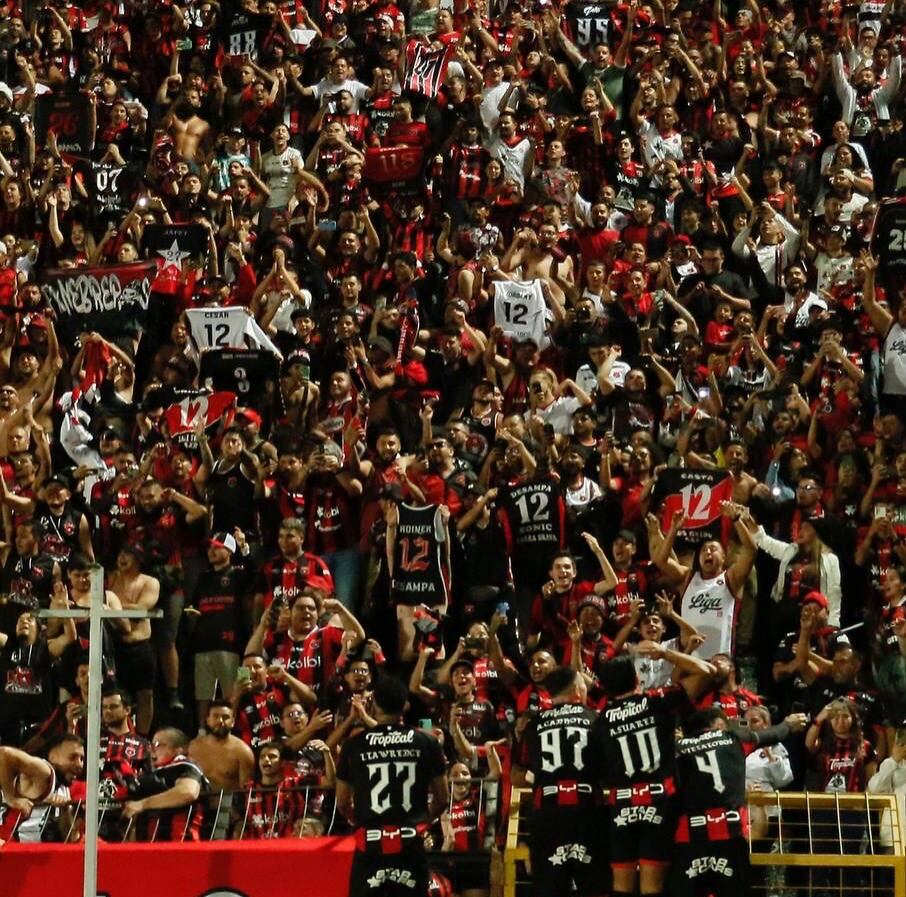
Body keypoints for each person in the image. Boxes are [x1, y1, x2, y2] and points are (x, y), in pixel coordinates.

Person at [591, 650, 715, 897]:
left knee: (621, 886)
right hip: (659, 800)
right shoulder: (657, 700)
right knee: (653, 886)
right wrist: (664, 652)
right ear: (636, 678)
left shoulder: (601, 720)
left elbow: (599, 767)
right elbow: (706, 671)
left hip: (622, 803)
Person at [672, 706, 807, 897]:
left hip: (689, 835)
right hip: (730, 832)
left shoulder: (679, 747)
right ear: (719, 725)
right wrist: (788, 724)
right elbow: (772, 735)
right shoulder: (732, 739)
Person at [336, 675, 448, 897]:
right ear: (405, 705)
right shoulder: (427, 742)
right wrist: (422, 822)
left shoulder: (353, 745)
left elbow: (342, 803)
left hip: (369, 844)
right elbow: (442, 799)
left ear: (373, 705)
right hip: (410, 841)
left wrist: (360, 821)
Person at [519, 665, 607, 897]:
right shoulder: (595, 719)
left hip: (547, 812)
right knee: (595, 887)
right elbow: (608, 766)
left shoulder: (533, 724)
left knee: (549, 888)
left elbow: (518, 771)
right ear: (577, 691)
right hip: (588, 810)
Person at [122, 727, 207, 842]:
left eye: (157, 745)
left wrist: (142, 804)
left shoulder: (186, 766)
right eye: (151, 745)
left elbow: (188, 792)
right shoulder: (152, 774)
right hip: (148, 844)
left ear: (178, 750)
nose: (151, 750)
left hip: (179, 843)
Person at [0, 733, 85, 844]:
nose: (79, 764)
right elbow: (4, 753)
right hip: (7, 846)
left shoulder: (62, 786)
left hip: (25, 850)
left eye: (82, 759)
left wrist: (64, 810)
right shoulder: (44, 772)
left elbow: (69, 838)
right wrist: (11, 799)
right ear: (53, 757)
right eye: (72, 757)